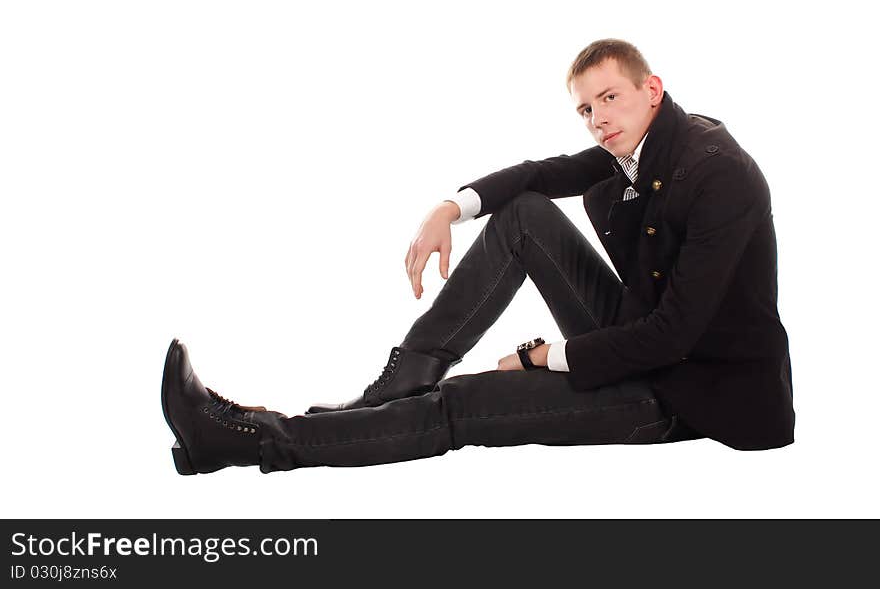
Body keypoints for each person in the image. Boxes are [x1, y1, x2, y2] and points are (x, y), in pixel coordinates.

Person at [160, 38, 795, 475]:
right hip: (638, 339)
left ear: (652, 89)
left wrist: (543, 357)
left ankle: (254, 441)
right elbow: (539, 175)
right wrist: (450, 208)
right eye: (584, 108)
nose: (597, 120)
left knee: (464, 405)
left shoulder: (720, 174)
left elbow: (675, 335)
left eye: (609, 98)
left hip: (689, 391)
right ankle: (400, 381)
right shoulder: (636, 147)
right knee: (523, 216)